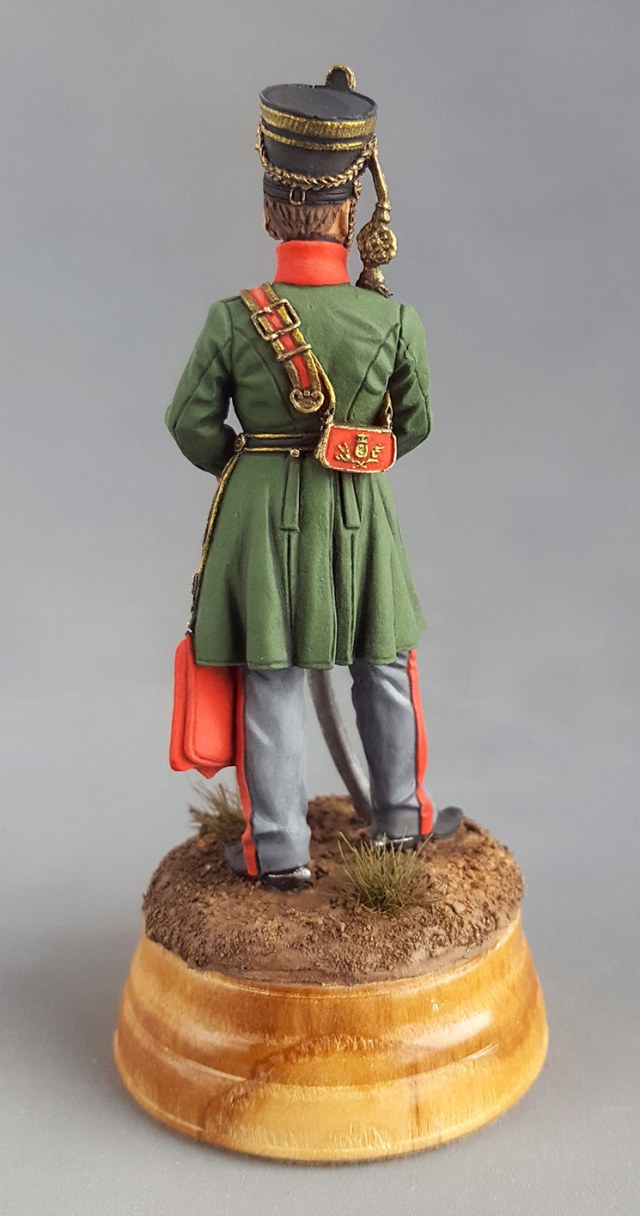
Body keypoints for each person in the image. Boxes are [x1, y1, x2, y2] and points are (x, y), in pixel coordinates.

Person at [166, 66, 461, 891]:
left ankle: (278, 850)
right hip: (359, 511)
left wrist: (246, 466)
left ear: (271, 212)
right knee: (386, 663)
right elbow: (416, 423)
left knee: (270, 673)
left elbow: (189, 422)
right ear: (349, 213)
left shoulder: (235, 318)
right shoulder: (393, 318)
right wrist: (356, 457)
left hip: (260, 513)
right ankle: (400, 822)